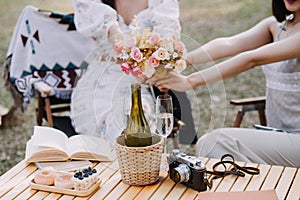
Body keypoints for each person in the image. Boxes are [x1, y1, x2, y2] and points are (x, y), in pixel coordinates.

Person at [148, 0, 300, 167]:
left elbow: (252, 59)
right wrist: (178, 61)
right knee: (211, 145)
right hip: (278, 135)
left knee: (216, 143)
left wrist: (190, 81)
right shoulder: (276, 26)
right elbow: (229, 44)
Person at [70, 0, 197, 145]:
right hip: (104, 78)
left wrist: (158, 63)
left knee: (139, 115)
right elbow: (114, 33)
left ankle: (136, 159)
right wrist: (130, 49)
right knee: (113, 117)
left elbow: (169, 38)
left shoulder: (162, 3)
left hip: (147, 81)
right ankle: (120, 160)